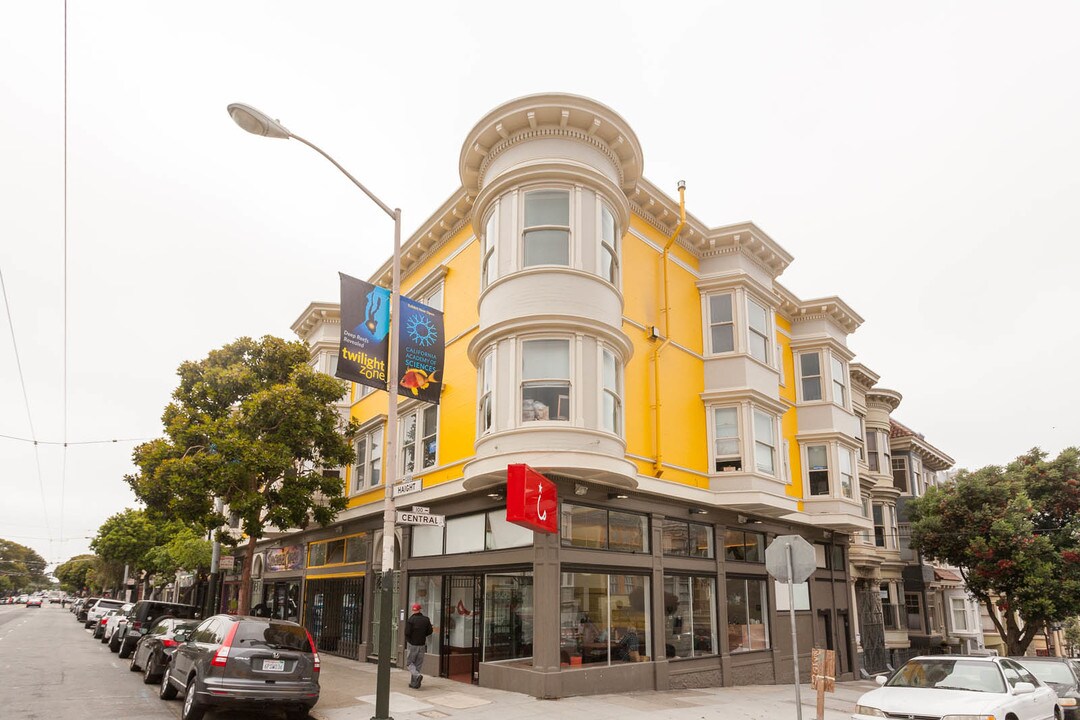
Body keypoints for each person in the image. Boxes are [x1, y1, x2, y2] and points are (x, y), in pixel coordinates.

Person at [405, 602, 434, 689]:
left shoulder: (411, 620)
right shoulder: (426, 619)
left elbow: (407, 633)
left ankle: (417, 676)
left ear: (413, 610)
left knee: (409, 663)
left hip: (413, 644)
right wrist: (422, 635)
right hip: (422, 644)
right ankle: (414, 683)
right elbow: (430, 631)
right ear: (420, 609)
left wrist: (410, 641)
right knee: (418, 664)